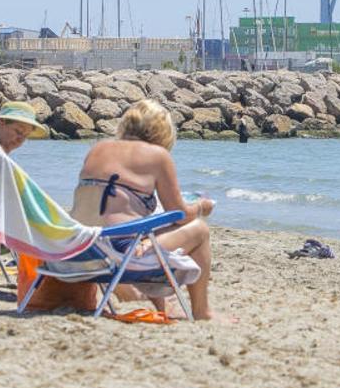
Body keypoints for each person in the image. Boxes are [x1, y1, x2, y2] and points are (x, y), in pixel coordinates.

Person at [70, 99, 227, 321]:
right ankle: (202, 311)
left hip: (78, 247)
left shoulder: (98, 148)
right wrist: (201, 207)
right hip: (118, 253)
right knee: (199, 230)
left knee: (146, 227)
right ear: (163, 132)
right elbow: (180, 214)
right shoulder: (157, 155)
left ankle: (161, 307)